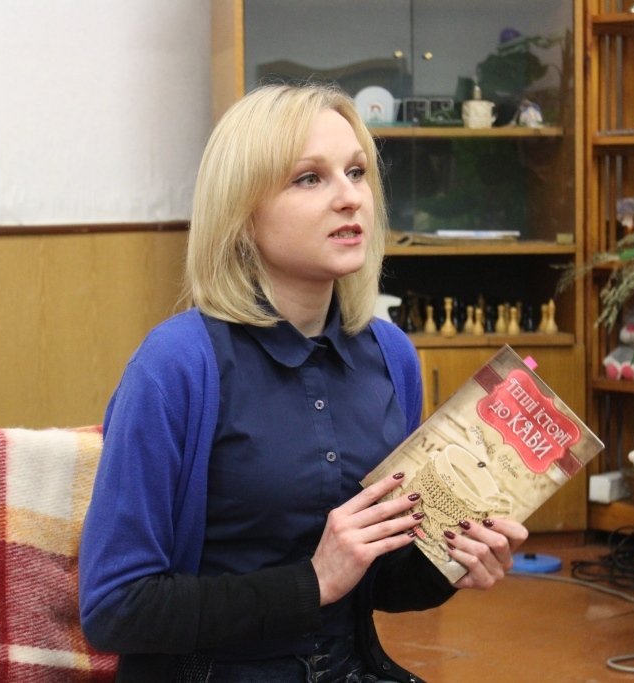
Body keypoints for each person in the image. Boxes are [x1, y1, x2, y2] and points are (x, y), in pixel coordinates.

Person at [79, 82, 528, 682]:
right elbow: (114, 608)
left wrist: (452, 561)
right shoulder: (176, 365)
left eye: (357, 172)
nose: (350, 198)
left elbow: (380, 585)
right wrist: (312, 582)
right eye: (310, 178)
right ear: (242, 215)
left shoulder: (392, 355)